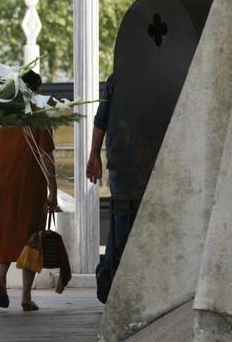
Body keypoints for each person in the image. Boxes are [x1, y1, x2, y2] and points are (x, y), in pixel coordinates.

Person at [0, 109, 58, 311]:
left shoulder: (0, 120)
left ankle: (0, 280)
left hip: (2, 187)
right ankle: (26, 297)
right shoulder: (39, 121)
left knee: (4, 234)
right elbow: (46, 157)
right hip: (30, 187)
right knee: (32, 240)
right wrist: (53, 189)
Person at [86, 73, 133, 303]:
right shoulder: (167, 68)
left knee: (122, 214)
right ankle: (110, 269)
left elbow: (101, 119)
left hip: (120, 157)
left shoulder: (117, 78)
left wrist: (94, 153)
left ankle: (107, 268)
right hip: (155, 156)